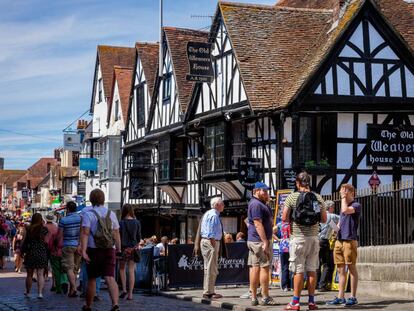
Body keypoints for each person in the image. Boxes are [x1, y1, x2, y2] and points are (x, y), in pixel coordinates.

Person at [282, 172, 327, 310]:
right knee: (312, 270)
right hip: (314, 238)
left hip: (298, 238)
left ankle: (295, 302)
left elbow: (284, 218)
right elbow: (324, 219)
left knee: (298, 271)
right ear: (309, 182)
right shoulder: (317, 198)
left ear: (297, 183)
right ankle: (312, 302)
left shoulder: (292, 197)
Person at [80, 189, 121, 311]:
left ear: (91, 199)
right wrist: (118, 249)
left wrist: (83, 251)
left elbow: (85, 233)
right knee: (110, 277)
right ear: (103, 199)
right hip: (109, 249)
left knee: (92, 278)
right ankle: (115, 304)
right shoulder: (111, 214)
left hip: (94, 250)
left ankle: (88, 305)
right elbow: (116, 233)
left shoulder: (89, 214)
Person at [327, 184, 361, 306]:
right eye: (342, 191)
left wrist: (343, 198)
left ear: (351, 192)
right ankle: (340, 297)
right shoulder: (343, 207)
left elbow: (345, 210)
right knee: (341, 270)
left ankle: (353, 297)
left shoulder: (356, 205)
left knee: (351, 268)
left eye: (345, 192)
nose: (343, 194)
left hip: (349, 240)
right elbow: (340, 224)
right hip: (339, 240)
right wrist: (334, 229)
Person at [246, 182, 276, 306]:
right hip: (259, 241)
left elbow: (250, 222)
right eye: (265, 191)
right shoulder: (256, 205)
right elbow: (257, 224)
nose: (267, 193)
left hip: (255, 240)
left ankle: (254, 297)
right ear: (257, 191)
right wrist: (265, 241)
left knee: (255, 267)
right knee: (264, 267)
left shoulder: (260, 204)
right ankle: (265, 296)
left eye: (267, 191)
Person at [196, 197, 226, 299]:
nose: (223, 206)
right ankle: (209, 292)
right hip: (210, 241)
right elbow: (211, 231)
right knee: (211, 267)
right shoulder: (214, 215)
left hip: (206, 241)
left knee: (208, 267)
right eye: (222, 204)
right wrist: (213, 243)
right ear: (217, 205)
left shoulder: (208, 213)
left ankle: (208, 291)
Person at [21, 213, 49, 299]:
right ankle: (40, 293)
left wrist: (22, 250)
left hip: (31, 253)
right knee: (40, 274)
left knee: (29, 274)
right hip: (41, 252)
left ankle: (28, 292)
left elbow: (24, 241)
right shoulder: (44, 229)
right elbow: (47, 242)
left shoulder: (29, 228)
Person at [59, 201, 82, 297]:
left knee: (69, 268)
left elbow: (60, 235)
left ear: (67, 209)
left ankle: (74, 288)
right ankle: (72, 291)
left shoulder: (63, 220)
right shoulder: (80, 218)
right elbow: (83, 232)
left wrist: (59, 246)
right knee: (75, 269)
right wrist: (80, 244)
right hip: (78, 245)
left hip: (67, 245)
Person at [119, 203, 141, 301]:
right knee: (131, 270)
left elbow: (118, 237)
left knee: (122, 269)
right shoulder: (137, 222)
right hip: (133, 249)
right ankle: (130, 294)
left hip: (123, 249)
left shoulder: (121, 222)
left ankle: (124, 289)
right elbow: (139, 238)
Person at [317, 200, 339, 291]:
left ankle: (314, 284)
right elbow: (342, 221)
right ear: (330, 208)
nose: (333, 209)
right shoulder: (331, 216)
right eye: (333, 207)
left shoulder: (318, 215)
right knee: (326, 264)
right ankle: (322, 285)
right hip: (324, 241)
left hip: (315, 241)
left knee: (316, 264)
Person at [45, 213, 68, 294]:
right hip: (63, 251)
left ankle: (57, 287)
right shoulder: (57, 227)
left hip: (53, 252)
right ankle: (65, 281)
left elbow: (49, 243)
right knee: (63, 268)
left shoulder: (44, 227)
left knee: (56, 270)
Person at [279, 221, 292, 292]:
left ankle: (285, 286)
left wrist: (279, 239)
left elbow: (272, 231)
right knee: (291, 267)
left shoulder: (280, 224)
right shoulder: (292, 224)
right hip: (290, 246)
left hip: (283, 247)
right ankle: (290, 285)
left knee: (284, 267)